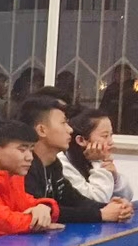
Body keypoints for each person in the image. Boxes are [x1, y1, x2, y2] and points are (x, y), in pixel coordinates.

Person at [19, 95, 132, 224]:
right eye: (63, 123)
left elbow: (76, 201)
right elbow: (45, 210)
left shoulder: (54, 164)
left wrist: (112, 207)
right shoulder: (23, 167)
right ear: (42, 130)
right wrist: (101, 214)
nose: (70, 129)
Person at [62, 109, 135, 204]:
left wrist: (115, 178)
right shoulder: (63, 164)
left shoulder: (93, 157)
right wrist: (98, 164)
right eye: (105, 136)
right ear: (81, 140)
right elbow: (97, 200)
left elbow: (127, 197)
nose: (111, 142)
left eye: (111, 135)